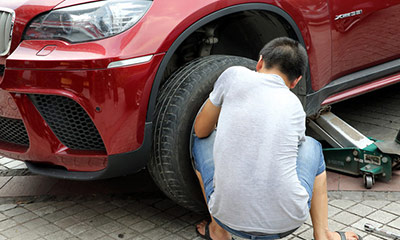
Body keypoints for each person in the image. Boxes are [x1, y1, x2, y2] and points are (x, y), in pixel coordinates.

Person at [192, 37, 361, 240]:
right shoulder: (294, 105)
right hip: (286, 224)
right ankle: (323, 234)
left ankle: (219, 232)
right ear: (296, 81)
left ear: (260, 61)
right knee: (312, 146)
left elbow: (201, 130)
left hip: (226, 219)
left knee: (199, 140)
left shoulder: (232, 75)